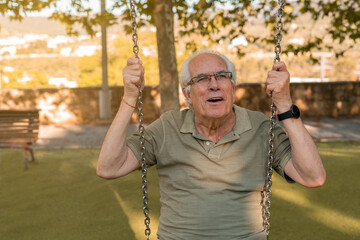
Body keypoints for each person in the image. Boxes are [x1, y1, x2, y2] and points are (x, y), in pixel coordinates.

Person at [97, 50, 326, 240]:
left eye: (222, 76)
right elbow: (109, 167)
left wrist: (285, 104)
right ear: (187, 94)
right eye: (202, 79)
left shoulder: (261, 128)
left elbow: (313, 177)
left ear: (232, 88)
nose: (214, 84)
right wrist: (129, 98)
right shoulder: (167, 127)